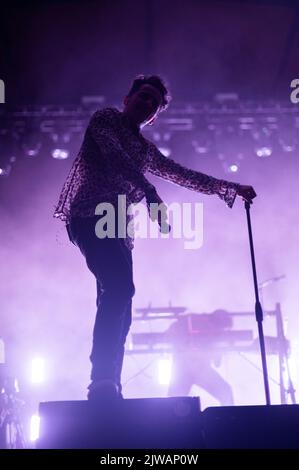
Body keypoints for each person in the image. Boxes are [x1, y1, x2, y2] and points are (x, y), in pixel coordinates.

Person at [53, 74, 256, 401]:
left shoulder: (146, 150)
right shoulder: (105, 119)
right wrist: (149, 193)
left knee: (120, 302)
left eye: (155, 103)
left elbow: (184, 174)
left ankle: (109, 385)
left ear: (155, 115)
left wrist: (230, 187)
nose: (148, 104)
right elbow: (114, 156)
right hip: (91, 215)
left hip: (117, 228)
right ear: (127, 98)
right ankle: (101, 380)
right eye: (144, 96)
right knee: (119, 288)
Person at [166, 311, 234, 406]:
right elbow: (216, 362)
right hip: (194, 370)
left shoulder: (193, 320)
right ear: (221, 323)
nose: (223, 331)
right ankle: (230, 418)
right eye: (224, 328)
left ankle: (168, 419)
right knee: (225, 392)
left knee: (172, 402)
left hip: (188, 370)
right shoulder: (209, 328)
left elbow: (170, 332)